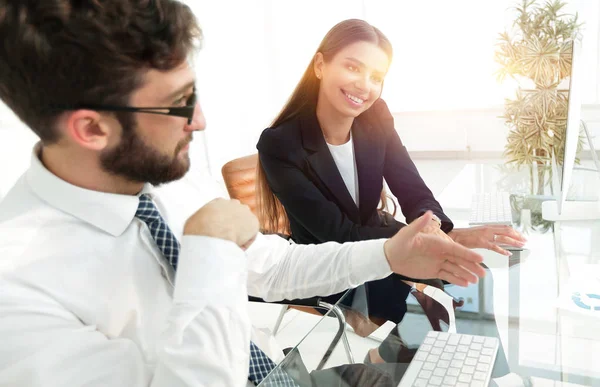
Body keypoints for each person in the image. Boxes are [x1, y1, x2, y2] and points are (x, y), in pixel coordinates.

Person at [0, 2, 486, 386]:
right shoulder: (18, 295)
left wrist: (389, 251)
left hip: (275, 372)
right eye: (177, 105)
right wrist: (211, 254)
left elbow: (278, 267)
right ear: (91, 128)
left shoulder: (161, 179)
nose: (201, 121)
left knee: (455, 366)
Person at [256, 19, 527, 365]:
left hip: (381, 241)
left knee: (466, 282)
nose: (364, 85)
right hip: (330, 266)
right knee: (438, 286)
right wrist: (425, 241)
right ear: (321, 66)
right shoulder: (280, 145)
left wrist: (443, 229)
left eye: (376, 76)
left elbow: (411, 187)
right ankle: (385, 363)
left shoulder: (375, 116)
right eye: (352, 67)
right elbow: (340, 234)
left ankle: (475, 369)